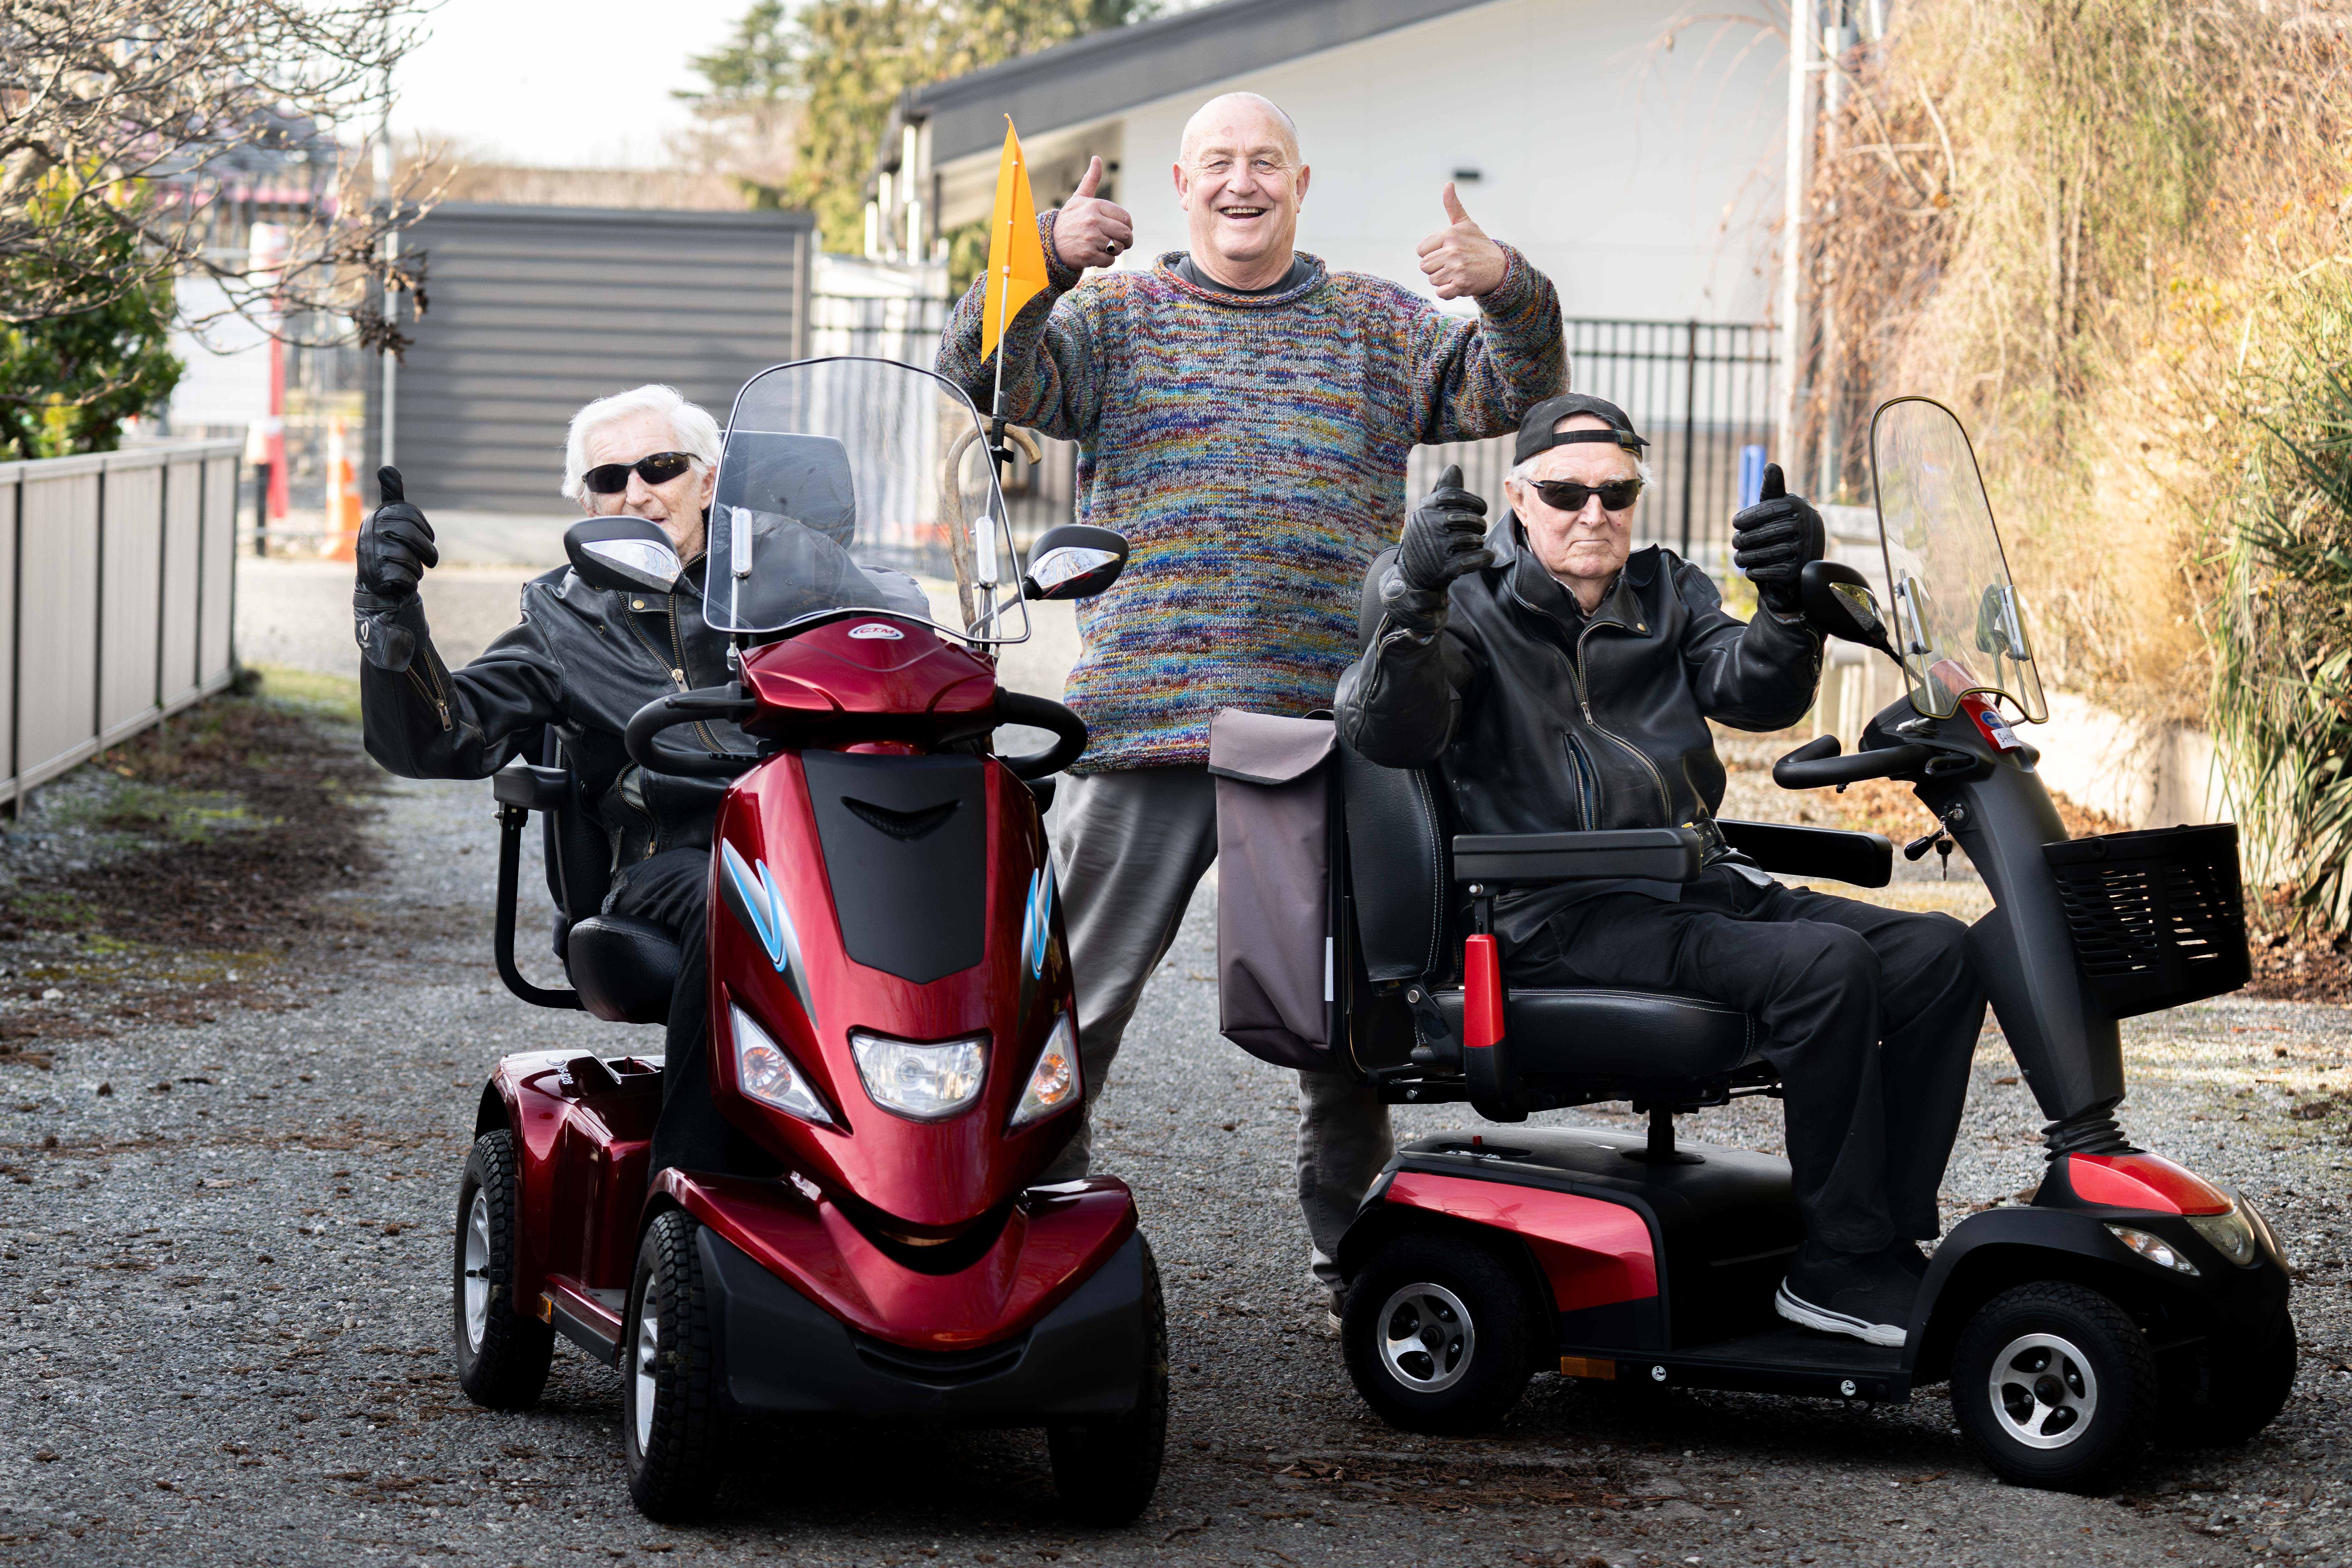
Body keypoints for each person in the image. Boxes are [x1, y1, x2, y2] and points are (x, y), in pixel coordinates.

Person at [937, 91, 1566, 1320]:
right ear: (1180, 185)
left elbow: (1517, 395)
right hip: (1147, 726)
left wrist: (1509, 284)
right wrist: (1043, 259)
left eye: (1265, 162)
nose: (1243, 182)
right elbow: (980, 371)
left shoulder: (1380, 326)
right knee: (1076, 1001)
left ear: (1302, 181)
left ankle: (1360, 1268)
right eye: (1218, 163)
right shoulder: (1113, 318)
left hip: (1328, 734)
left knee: (1345, 1026)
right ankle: (1014, 1237)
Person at [1332, 394, 1987, 1346]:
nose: (1592, 513)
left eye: (1616, 492)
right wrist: (1413, 603)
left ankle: (1873, 1242)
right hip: (1555, 912)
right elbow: (1389, 729)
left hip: (1688, 886)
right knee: (1824, 969)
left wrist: (1786, 603)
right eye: (1565, 492)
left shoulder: (1667, 590)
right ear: (1519, 498)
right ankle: (1838, 1267)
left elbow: (1752, 692)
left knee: (1937, 954)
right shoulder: (1469, 608)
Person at [352, 383, 920, 1175]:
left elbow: (914, 664)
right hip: (677, 859)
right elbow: (441, 740)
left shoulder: (809, 571)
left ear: (710, 478)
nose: (639, 491)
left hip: (836, 838)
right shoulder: (563, 616)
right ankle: (697, 1180)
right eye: (610, 478)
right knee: (744, 900)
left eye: (661, 466)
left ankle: (985, 1160)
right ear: (586, 501)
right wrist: (390, 613)